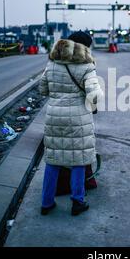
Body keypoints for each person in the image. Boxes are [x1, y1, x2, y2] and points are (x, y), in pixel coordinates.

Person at [39, 31, 103, 216]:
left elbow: (43, 89)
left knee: (52, 160)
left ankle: (46, 203)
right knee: (79, 160)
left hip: (54, 118)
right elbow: (95, 95)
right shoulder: (87, 65)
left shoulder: (52, 63)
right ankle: (77, 202)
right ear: (84, 47)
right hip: (78, 119)